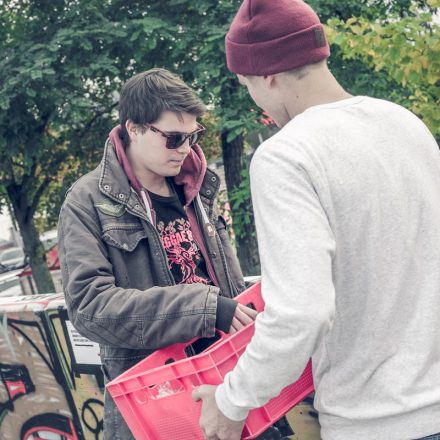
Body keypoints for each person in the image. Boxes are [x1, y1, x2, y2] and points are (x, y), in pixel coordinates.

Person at [193, 1, 440, 439]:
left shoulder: (285, 155)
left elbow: (300, 313)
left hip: (376, 422)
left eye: (246, 83)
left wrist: (231, 401)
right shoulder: (406, 124)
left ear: (266, 74)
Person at [57, 68, 258, 439]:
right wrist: (205, 308)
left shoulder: (198, 186)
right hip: (160, 407)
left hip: (232, 393)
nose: (186, 148)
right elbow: (89, 308)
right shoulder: (85, 202)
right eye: (173, 138)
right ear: (134, 128)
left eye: (193, 136)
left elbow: (225, 282)